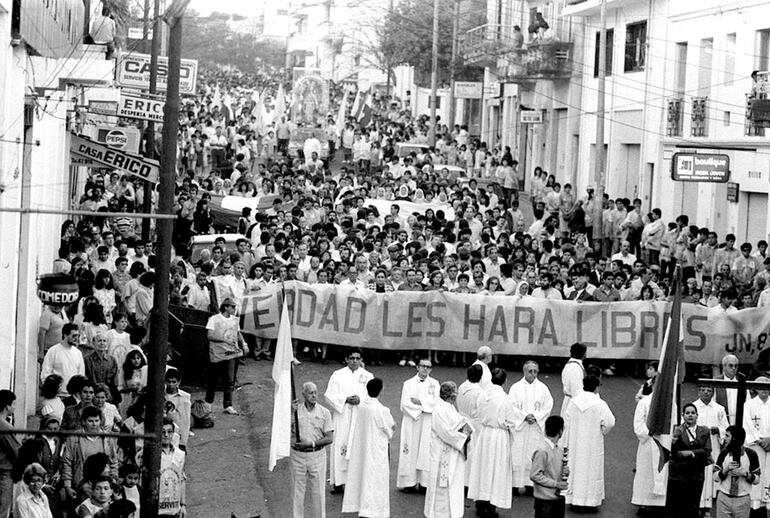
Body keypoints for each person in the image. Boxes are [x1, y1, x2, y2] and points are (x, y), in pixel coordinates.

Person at [341, 378, 395, 518]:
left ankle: (364, 508)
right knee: (375, 479)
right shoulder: (382, 410)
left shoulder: (362, 406)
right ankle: (373, 511)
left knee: (364, 476)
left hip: (363, 448)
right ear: (381, 390)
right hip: (376, 450)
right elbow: (390, 430)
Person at [467, 368, 518, 517]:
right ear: (505, 381)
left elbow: (478, 413)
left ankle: (480, 503)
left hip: (485, 434)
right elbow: (511, 422)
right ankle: (490, 506)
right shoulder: (505, 398)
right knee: (496, 469)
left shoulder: (482, 395)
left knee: (483, 468)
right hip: (498, 436)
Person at [323, 348, 373, 492]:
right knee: (340, 445)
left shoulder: (367, 376)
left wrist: (361, 399)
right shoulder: (337, 375)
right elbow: (329, 395)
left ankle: (355, 483)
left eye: (357, 358)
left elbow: (372, 396)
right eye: (351, 358)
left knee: (357, 446)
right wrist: (345, 399)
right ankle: (338, 482)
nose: (355, 361)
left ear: (361, 360)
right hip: (343, 415)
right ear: (346, 359)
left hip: (359, 415)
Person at [563, 375, 616, 510]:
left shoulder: (574, 402)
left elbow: (567, 421)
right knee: (591, 470)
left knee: (576, 468)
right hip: (593, 443)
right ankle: (590, 502)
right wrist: (602, 430)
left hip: (576, 443)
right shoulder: (600, 404)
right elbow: (610, 422)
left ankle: (575, 499)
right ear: (597, 387)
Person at [423, 381, 472, 518]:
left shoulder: (450, 408)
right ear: (451, 395)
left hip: (453, 453)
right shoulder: (439, 409)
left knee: (453, 484)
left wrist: (466, 432)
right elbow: (445, 432)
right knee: (442, 486)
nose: (456, 395)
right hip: (442, 453)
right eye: (455, 392)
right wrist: (463, 437)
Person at [508, 360, 553, 493]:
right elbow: (511, 406)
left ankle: (531, 484)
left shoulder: (543, 388)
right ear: (524, 371)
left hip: (535, 427)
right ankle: (516, 484)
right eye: (530, 371)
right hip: (521, 427)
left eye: (535, 371)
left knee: (533, 453)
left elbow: (547, 406)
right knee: (518, 453)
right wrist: (524, 416)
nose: (533, 374)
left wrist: (536, 417)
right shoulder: (515, 387)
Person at [290, 382, 333, 518]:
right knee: (297, 492)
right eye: (310, 393)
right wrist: (290, 412)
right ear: (303, 394)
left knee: (318, 492)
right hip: (298, 456)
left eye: (315, 392)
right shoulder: (295, 410)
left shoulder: (324, 412)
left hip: (317, 455)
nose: (314, 395)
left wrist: (311, 444)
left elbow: (329, 438)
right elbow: (284, 429)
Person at [397, 357, 439, 492]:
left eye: (428, 366)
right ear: (417, 367)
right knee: (411, 449)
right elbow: (405, 404)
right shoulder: (408, 384)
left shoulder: (435, 384)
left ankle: (424, 483)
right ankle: (409, 482)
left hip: (427, 422)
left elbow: (436, 403)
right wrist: (425, 406)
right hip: (412, 421)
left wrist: (420, 402)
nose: (425, 369)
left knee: (425, 450)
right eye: (423, 366)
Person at [667, 403, 712, 518]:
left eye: (693, 413)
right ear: (683, 415)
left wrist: (691, 453)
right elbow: (673, 453)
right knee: (677, 507)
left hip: (696, 474)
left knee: (693, 506)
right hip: (679, 475)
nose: (690, 415)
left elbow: (706, 451)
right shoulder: (678, 430)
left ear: (697, 415)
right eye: (687, 413)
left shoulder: (704, 431)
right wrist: (674, 439)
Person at [205, 298, 248, 415]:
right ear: (226, 307)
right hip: (217, 353)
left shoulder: (235, 320)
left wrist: (244, 344)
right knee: (213, 379)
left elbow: (238, 333)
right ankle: (208, 403)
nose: (235, 309)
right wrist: (223, 340)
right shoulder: (214, 319)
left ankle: (228, 405)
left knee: (229, 380)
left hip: (231, 353)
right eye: (233, 307)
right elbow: (209, 335)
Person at [631, 379, 667, 512]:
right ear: (653, 384)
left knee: (662, 471)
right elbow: (638, 424)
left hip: (664, 443)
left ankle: (661, 502)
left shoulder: (670, 403)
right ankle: (643, 502)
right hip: (648, 443)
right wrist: (650, 432)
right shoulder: (644, 402)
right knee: (645, 473)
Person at [692, 384, 729, 512]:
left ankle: (709, 504)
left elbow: (726, 428)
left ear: (713, 393)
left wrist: (718, 430)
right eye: (703, 390)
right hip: (698, 445)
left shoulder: (719, 409)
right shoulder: (693, 407)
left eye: (709, 391)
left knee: (711, 471)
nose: (706, 393)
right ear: (698, 392)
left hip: (713, 444)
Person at [714, 425, 760, 518]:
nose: (724, 438)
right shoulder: (724, 453)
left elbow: (757, 480)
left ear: (735, 438)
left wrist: (746, 474)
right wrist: (725, 470)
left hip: (742, 499)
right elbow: (715, 477)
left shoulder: (751, 454)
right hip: (724, 498)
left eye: (727, 436)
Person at [530, 416, 569, 518]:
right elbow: (535, 475)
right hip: (544, 502)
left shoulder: (559, 450)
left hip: (558, 499)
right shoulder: (542, 450)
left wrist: (564, 471)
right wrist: (556, 484)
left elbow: (554, 471)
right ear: (560, 431)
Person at [743, 376, 770, 514]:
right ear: (756, 388)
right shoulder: (749, 405)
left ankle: (768, 506)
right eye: (761, 386)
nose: (764, 390)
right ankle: (755, 508)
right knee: (757, 474)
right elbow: (747, 425)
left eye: (767, 386)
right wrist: (761, 440)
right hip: (756, 447)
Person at [40, 323, 85, 392]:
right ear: (65, 335)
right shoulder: (53, 351)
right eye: (74, 336)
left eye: (78, 336)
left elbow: (81, 374)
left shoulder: (78, 353)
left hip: (73, 395)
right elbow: (45, 373)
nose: (76, 338)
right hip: (56, 394)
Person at [159, 417, 187, 517]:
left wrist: (183, 504)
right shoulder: (150, 454)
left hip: (174, 508)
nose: (166, 435)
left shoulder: (180, 454)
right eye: (162, 432)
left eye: (169, 432)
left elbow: (182, 479)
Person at [0, 390, 19, 518]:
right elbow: (16, 451)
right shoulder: (5, 427)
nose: (14, 407)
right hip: (4, 472)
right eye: (13, 404)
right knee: (3, 509)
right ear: (7, 406)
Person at [164, 368, 191, 451]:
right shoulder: (161, 395)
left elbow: (185, 422)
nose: (171, 384)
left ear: (178, 382)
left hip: (177, 432)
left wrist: (183, 442)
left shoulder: (185, 397)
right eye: (169, 381)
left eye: (174, 382)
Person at [560, 342, 586, 416]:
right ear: (583, 354)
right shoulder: (574, 368)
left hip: (571, 401)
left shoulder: (573, 365)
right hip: (573, 404)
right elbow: (576, 389)